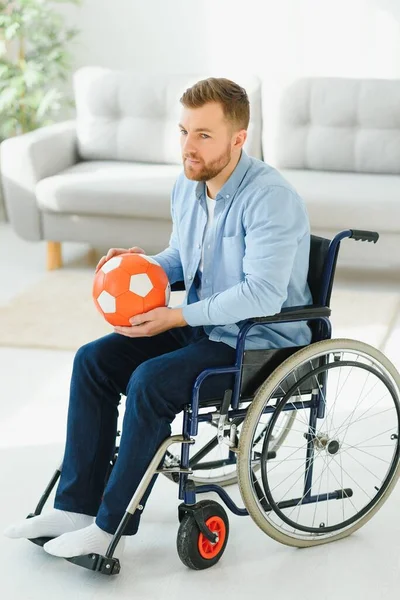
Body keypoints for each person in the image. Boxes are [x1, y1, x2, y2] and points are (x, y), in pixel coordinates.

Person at [4, 77, 313, 559]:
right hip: (204, 325)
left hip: (259, 340)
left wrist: (175, 315)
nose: (188, 147)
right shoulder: (189, 186)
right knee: (94, 361)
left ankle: (108, 526)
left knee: (150, 381)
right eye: (184, 131)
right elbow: (184, 258)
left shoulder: (270, 199)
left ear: (238, 139)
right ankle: (75, 506)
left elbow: (264, 294)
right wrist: (142, 268)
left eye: (203, 135)